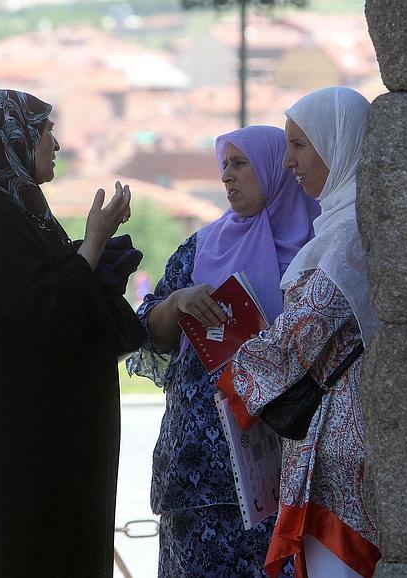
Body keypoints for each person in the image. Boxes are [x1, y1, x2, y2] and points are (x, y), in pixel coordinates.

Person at [0, 89, 145, 578]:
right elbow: (44, 316)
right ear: (10, 137)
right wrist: (93, 245)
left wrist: (92, 258)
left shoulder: (19, 216)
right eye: (43, 130)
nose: (55, 142)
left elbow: (68, 309)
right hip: (19, 477)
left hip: (45, 470)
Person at [127, 125, 320, 577]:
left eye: (240, 164)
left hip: (279, 470)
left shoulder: (314, 252)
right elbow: (148, 332)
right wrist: (178, 302)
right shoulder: (200, 248)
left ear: (274, 169)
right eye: (223, 166)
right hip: (197, 474)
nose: (227, 178)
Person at [217, 87, 381, 578]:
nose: (288, 160)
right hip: (334, 439)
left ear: (338, 144)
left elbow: (303, 332)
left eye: (300, 145)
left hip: (341, 454)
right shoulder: (338, 222)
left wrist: (234, 378)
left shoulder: (350, 229)